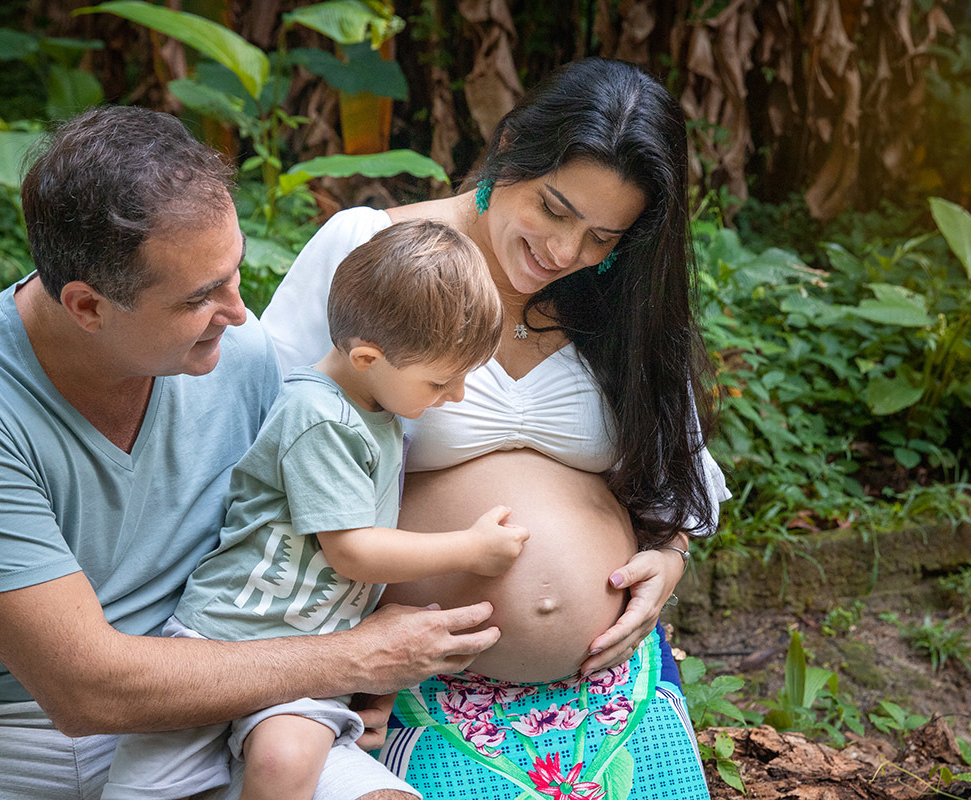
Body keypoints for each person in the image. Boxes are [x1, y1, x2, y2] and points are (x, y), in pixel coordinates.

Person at [0, 106, 502, 800]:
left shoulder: (241, 357)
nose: (239, 311)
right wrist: (353, 658)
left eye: (234, 273)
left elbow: (306, 533)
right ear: (87, 307)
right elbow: (85, 690)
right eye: (202, 296)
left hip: (216, 698)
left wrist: (347, 670)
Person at [261, 57, 732, 799]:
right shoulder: (371, 249)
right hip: (401, 675)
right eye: (554, 209)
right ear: (510, 145)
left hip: (610, 692)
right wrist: (340, 653)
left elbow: (683, 469)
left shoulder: (621, 302)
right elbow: (256, 439)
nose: (566, 253)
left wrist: (668, 561)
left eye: (603, 236)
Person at [101, 219, 528, 800]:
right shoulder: (319, 414)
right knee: (143, 787)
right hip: (222, 640)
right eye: (440, 382)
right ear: (368, 357)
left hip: (314, 659)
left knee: (286, 756)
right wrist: (470, 548)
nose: (454, 397)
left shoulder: (377, 407)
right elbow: (353, 550)